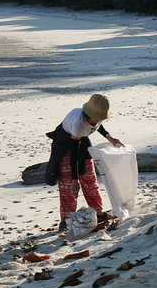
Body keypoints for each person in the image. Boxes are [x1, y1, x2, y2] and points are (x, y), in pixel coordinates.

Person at [45, 94, 124, 231]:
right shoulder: (78, 122)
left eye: (100, 117)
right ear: (88, 114)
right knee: (69, 186)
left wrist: (110, 138)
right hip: (65, 144)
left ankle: (97, 213)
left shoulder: (96, 118)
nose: (97, 120)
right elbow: (73, 153)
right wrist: (75, 180)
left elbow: (98, 126)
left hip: (83, 142)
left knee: (90, 180)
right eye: (96, 117)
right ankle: (66, 220)